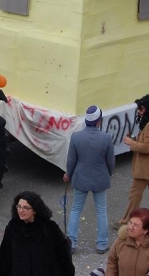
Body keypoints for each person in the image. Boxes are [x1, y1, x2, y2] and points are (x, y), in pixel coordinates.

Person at [63, 105, 115, 254]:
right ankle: (101, 244)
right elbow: (110, 161)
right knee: (101, 211)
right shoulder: (106, 138)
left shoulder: (76, 137)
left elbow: (71, 160)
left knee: (76, 209)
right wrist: (108, 173)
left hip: (81, 178)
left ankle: (71, 243)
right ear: (99, 121)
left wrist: (68, 174)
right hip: (100, 178)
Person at [115, 95, 149, 231]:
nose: (139, 112)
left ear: (148, 108)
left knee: (135, 195)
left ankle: (126, 221)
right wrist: (136, 139)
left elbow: (147, 148)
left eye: (141, 109)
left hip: (146, 169)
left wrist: (131, 143)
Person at [0, 191, 75, 276]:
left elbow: (63, 258)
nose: (21, 210)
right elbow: (4, 256)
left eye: (26, 208)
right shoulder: (13, 226)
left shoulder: (49, 228)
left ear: (35, 210)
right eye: (19, 206)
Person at [97, 208, 149, 276]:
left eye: (135, 225)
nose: (130, 227)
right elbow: (112, 261)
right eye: (130, 223)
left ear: (146, 230)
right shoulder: (121, 241)